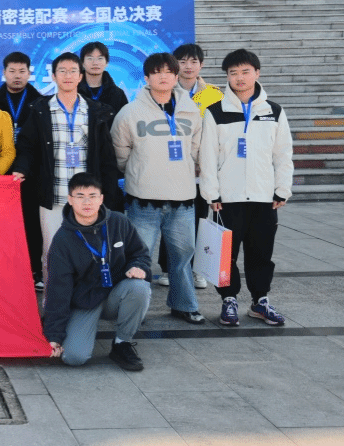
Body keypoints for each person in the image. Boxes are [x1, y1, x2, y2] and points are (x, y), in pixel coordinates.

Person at [199, 49, 293, 327]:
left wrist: (282, 189)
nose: (239, 78)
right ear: (227, 76)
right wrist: (211, 193)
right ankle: (228, 300)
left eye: (245, 72)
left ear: (257, 73)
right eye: (233, 73)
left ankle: (260, 301)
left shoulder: (273, 111)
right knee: (226, 255)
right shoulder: (215, 111)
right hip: (227, 198)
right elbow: (207, 156)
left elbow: (283, 154)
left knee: (261, 253)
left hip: (264, 196)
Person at [12, 53, 123, 286]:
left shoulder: (95, 111)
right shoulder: (40, 109)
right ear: (53, 76)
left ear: (81, 76)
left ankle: (86, 300)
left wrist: (109, 193)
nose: (68, 75)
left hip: (87, 198)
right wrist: (21, 169)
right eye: (62, 71)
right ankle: (54, 301)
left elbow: (106, 157)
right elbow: (27, 147)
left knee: (89, 251)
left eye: (73, 71)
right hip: (52, 195)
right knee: (52, 252)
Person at [111, 52, 205, 325]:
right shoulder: (130, 112)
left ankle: (184, 304)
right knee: (137, 258)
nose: (163, 76)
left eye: (168, 72)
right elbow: (121, 153)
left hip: (182, 199)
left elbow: (196, 150)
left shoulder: (192, 111)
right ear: (147, 77)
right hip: (143, 200)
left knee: (182, 256)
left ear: (176, 76)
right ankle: (133, 308)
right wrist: (141, 171)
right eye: (157, 72)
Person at [42, 173, 151, 370]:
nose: (87, 202)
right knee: (74, 357)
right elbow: (58, 290)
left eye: (92, 196)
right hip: (84, 301)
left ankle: (122, 343)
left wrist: (138, 266)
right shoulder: (62, 240)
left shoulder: (118, 222)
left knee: (139, 288)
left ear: (101, 199)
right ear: (70, 200)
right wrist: (54, 335)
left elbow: (140, 253)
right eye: (80, 196)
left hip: (115, 293)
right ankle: (77, 329)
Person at [155, 43, 225, 289]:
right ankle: (167, 268)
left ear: (201, 65)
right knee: (170, 218)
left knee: (198, 218)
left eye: (193, 61)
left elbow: (220, 133)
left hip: (202, 168)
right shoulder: (164, 91)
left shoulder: (214, 95)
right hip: (172, 166)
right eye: (182, 61)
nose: (188, 66)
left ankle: (197, 269)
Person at [0, 51, 45, 289]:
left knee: (32, 223)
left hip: (31, 174)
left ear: (29, 73)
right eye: (12, 71)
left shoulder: (40, 102)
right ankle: (2, 271)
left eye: (22, 71)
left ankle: (35, 270)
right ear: (4, 73)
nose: (17, 76)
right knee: (1, 224)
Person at [77, 42, 128, 121]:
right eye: (90, 58)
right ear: (82, 63)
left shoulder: (117, 94)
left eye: (100, 58)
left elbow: (124, 123)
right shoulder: (74, 91)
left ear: (106, 63)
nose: (95, 63)